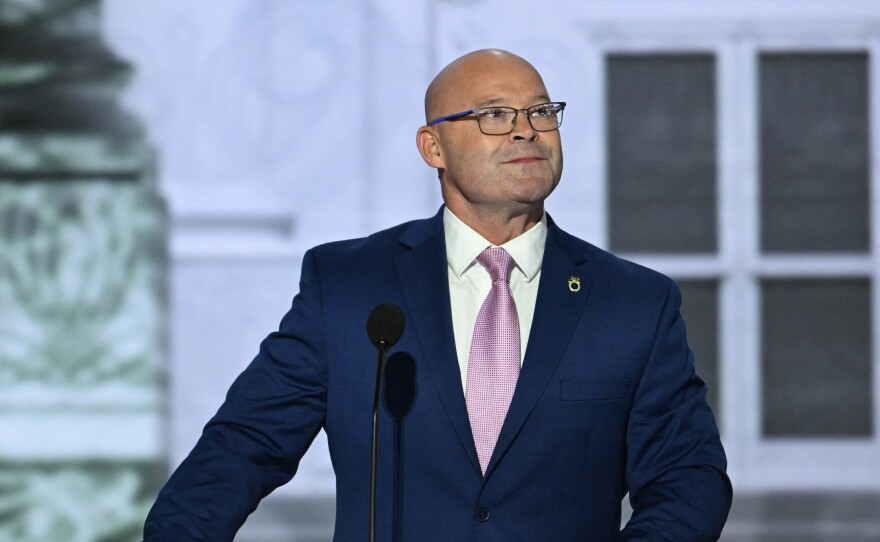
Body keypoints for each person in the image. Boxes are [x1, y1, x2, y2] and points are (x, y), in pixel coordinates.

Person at [144, 48, 732, 541]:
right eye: (495, 114)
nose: (526, 128)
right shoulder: (350, 286)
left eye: (541, 111)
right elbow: (244, 446)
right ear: (433, 148)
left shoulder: (633, 302)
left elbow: (688, 477)